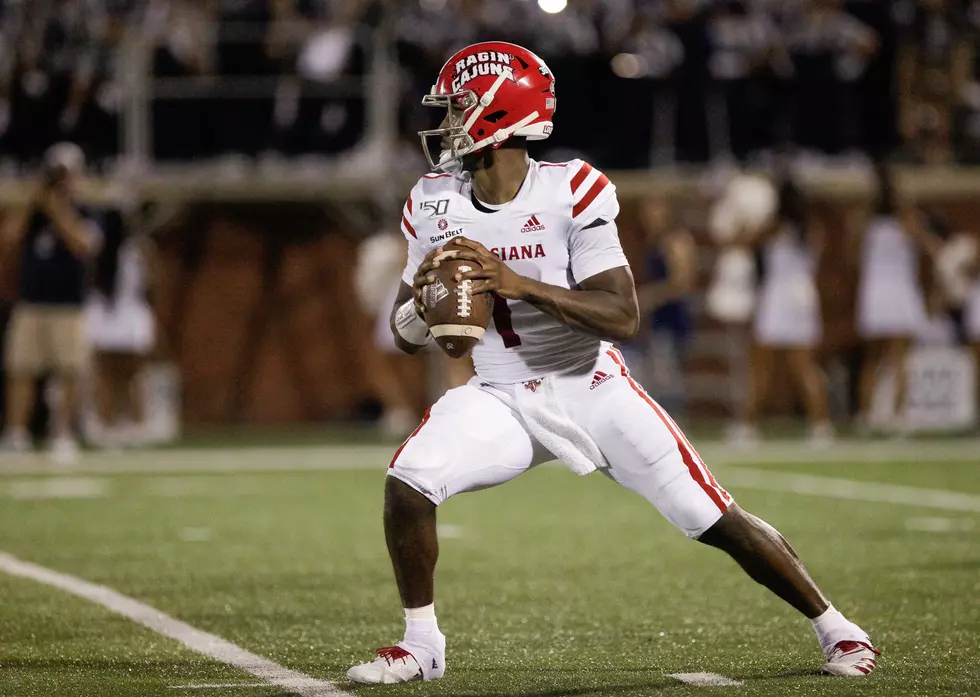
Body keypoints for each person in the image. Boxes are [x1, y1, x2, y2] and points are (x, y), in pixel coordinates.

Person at [346, 41, 878, 684]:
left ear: (499, 115)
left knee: (706, 514)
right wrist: (430, 305)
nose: (448, 120)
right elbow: (403, 333)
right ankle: (422, 646)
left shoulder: (572, 188)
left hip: (590, 385)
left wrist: (521, 285)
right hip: (500, 392)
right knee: (409, 481)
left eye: (460, 106)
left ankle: (838, 629)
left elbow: (621, 314)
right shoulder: (432, 202)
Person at [0, 143, 101, 461]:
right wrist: (32, 202)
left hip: (67, 306)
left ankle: (63, 435)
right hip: (31, 303)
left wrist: (58, 210)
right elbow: (8, 239)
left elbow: (84, 244)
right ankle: (16, 434)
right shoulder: (33, 214)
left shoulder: (86, 210)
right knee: (21, 369)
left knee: (69, 372)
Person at [737, 179, 833, 447]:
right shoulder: (812, 228)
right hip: (803, 296)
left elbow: (746, 242)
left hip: (778, 295)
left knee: (762, 367)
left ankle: (748, 427)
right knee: (805, 367)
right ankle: (821, 426)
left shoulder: (775, 226)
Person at [854, 164, 937, 433]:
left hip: (876, 293)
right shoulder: (907, 221)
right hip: (898, 292)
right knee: (898, 358)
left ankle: (866, 417)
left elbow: (852, 256)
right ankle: (899, 417)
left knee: (872, 358)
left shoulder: (865, 223)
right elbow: (929, 247)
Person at [84, 205, 156, 448]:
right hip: (128, 315)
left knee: (107, 376)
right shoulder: (137, 250)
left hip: (108, 314)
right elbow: (153, 280)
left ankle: (108, 428)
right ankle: (136, 427)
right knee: (131, 376)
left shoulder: (100, 248)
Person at [633, 197, 696, 418]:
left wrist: (650, 296)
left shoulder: (675, 240)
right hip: (658, 317)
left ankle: (675, 424)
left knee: (668, 376)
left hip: (671, 316)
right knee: (658, 375)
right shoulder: (654, 241)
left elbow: (682, 282)